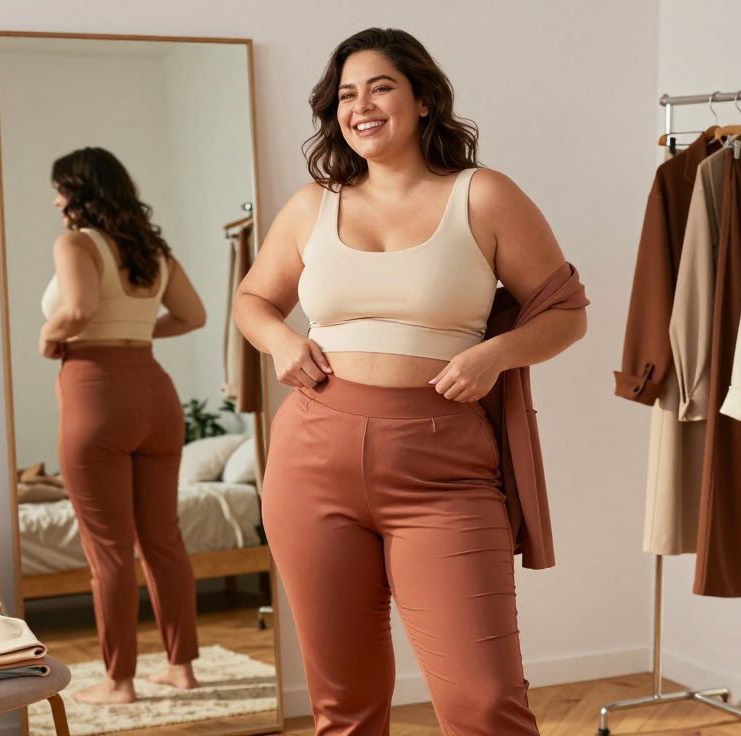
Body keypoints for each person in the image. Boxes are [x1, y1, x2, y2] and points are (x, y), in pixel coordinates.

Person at [233, 28, 587, 734]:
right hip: (311, 460)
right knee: (345, 707)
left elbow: (566, 313)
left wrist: (495, 355)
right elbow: (253, 301)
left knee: (485, 701)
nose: (361, 106)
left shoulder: (481, 196)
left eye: (380, 87)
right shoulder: (313, 206)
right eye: (345, 95)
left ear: (423, 99)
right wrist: (279, 341)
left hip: (443, 469)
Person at [39, 147, 206, 704]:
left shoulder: (76, 242)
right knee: (162, 539)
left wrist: (49, 335)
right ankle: (181, 668)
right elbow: (194, 315)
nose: (56, 199)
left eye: (60, 188)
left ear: (79, 192)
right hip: (155, 394)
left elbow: (80, 308)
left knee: (109, 550)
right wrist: (136, 335)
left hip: (96, 393)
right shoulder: (152, 251)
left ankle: (119, 682)